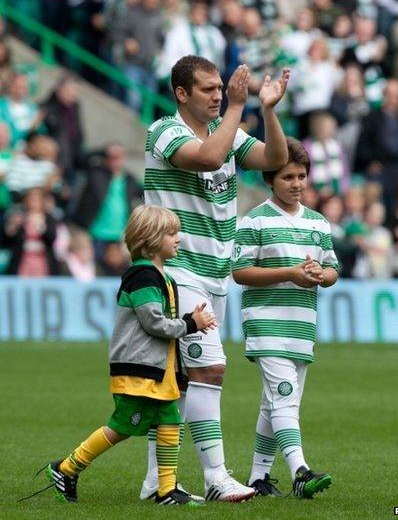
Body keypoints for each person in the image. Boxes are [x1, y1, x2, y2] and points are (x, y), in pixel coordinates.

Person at [143, 54, 290, 501]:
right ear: (181, 93)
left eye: (220, 87)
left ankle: (155, 482)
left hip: (217, 274)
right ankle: (217, 478)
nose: (218, 94)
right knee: (210, 368)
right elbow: (208, 158)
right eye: (208, 88)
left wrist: (267, 111)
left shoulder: (230, 133)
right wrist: (235, 109)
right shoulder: (164, 131)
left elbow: (274, 159)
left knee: (183, 382)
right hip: (179, 270)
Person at [34, 205, 216, 505]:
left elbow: (157, 318)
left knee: (170, 420)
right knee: (122, 425)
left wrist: (187, 319)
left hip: (159, 370)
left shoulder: (159, 275)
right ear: (151, 238)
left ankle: (166, 490)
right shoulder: (142, 275)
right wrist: (190, 324)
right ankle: (66, 468)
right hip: (138, 369)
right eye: (171, 233)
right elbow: (153, 322)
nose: (178, 238)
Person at [232, 137, 338, 498]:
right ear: (270, 180)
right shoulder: (255, 221)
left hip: (301, 324)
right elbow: (240, 271)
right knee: (284, 397)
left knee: (276, 402)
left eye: (302, 176)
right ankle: (300, 472)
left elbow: (332, 268)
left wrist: (319, 275)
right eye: (288, 177)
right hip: (265, 321)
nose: (297, 184)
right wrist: (289, 273)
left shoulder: (319, 223)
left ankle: (258, 477)